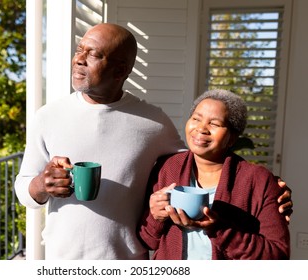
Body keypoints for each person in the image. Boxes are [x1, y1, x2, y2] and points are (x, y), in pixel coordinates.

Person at [15, 23, 292, 260]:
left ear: (120, 70)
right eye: (80, 50)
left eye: (94, 54)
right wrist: (41, 184)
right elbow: (24, 190)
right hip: (61, 260)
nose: (79, 59)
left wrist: (269, 190)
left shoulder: (153, 122)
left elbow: (202, 163)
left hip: (129, 261)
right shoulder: (48, 116)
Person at [138, 89, 290, 259]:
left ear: (232, 137)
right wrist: (155, 217)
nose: (201, 128)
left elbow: (278, 255)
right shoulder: (167, 167)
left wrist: (220, 230)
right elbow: (148, 241)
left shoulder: (258, 180)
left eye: (215, 124)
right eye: (196, 119)